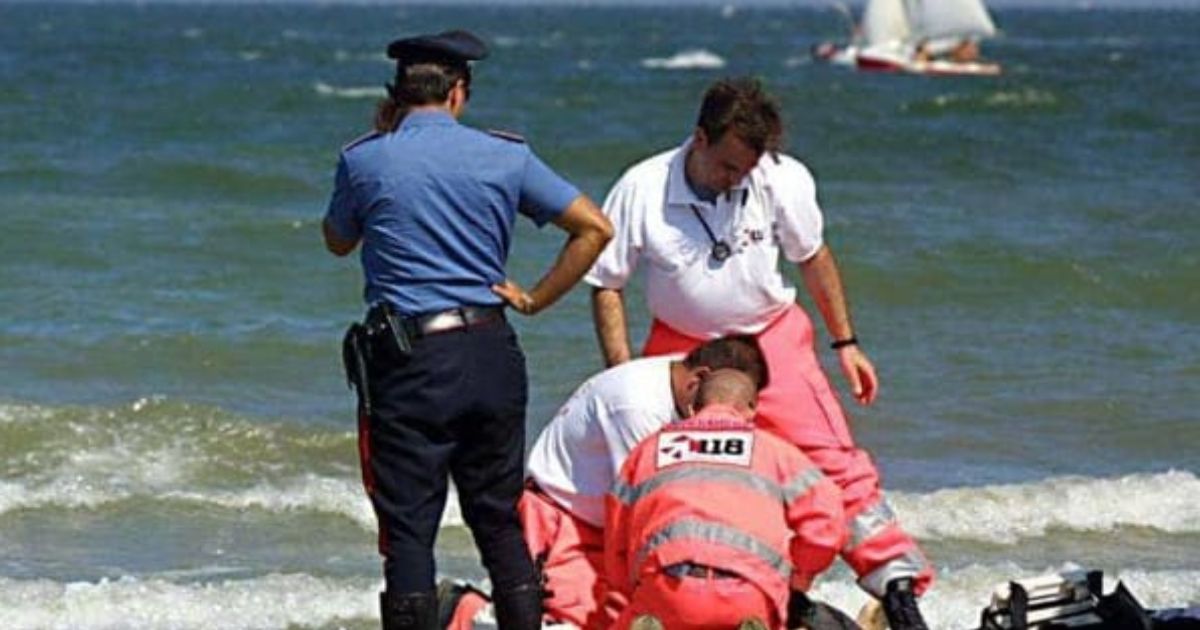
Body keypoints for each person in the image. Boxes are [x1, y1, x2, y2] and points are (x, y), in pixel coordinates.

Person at [585, 77, 934, 629]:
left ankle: (897, 587)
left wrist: (846, 342)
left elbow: (813, 257)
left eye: (747, 170)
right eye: (728, 167)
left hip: (770, 336)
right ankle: (652, 601)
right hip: (683, 347)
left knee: (834, 465)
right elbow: (607, 284)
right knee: (656, 472)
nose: (737, 179)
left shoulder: (779, 177)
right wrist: (625, 374)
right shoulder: (642, 187)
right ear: (699, 138)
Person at [321, 29, 612, 630]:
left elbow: (337, 240)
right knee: (498, 518)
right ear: (459, 92)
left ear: (397, 95)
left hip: (410, 359)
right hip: (489, 351)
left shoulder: (364, 157)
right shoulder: (506, 155)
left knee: (408, 532)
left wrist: (384, 139)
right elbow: (594, 228)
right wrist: (535, 298)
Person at [437, 336, 767, 629]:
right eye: (734, 406)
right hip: (564, 518)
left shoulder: (686, 384)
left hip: (608, 525)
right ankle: (463, 612)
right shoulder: (637, 408)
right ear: (700, 381)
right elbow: (648, 508)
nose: (735, 420)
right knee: (561, 624)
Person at [604, 369, 846, 630]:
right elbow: (826, 523)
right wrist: (798, 576)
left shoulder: (648, 450)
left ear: (691, 408)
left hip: (667, 591)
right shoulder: (775, 451)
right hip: (749, 594)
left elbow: (617, 535)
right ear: (752, 408)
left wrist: (632, 585)